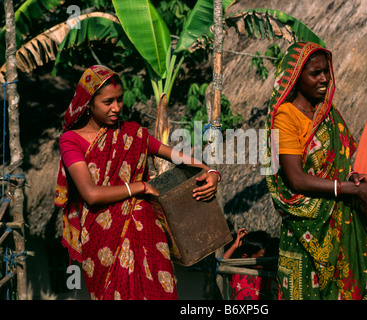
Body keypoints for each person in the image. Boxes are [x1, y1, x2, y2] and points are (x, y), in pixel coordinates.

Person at [54, 65, 221, 300]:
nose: (116, 108)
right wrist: (140, 187)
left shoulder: (133, 134)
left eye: (120, 100)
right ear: (88, 103)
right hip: (102, 239)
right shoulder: (71, 140)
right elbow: (90, 193)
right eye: (108, 101)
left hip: (147, 231)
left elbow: (178, 156)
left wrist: (210, 171)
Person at [264, 42, 367, 300]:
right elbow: (297, 180)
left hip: (342, 226)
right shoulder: (285, 117)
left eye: (326, 72)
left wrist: (353, 178)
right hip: (306, 231)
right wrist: (352, 189)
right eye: (315, 74)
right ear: (296, 78)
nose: (324, 79)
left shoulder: (329, 114)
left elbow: (337, 167)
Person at [223, 228, 276, 300]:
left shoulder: (267, 274)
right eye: (261, 259)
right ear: (245, 257)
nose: (264, 262)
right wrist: (235, 245)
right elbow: (221, 263)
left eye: (267, 257)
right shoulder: (237, 272)